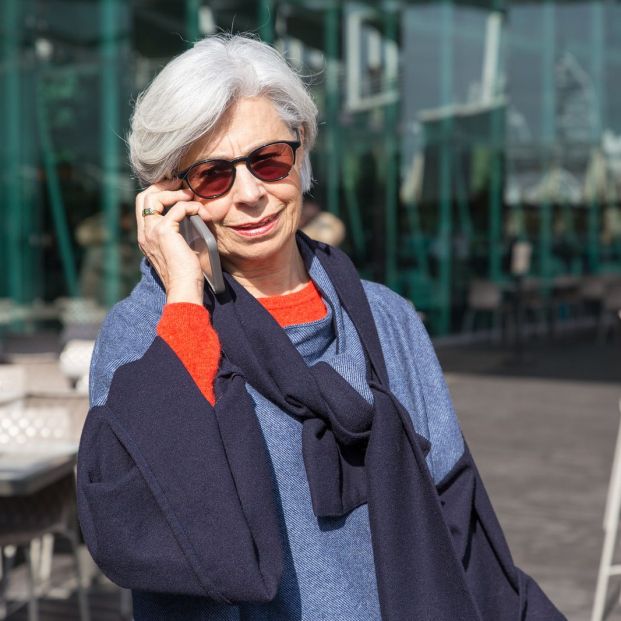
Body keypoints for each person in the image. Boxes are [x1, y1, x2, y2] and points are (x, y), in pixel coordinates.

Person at [76, 34, 565, 621]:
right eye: (213, 177)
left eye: (268, 160)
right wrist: (184, 298)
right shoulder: (147, 334)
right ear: (169, 195)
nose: (252, 194)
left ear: (301, 152)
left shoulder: (387, 320)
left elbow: (456, 518)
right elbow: (146, 527)